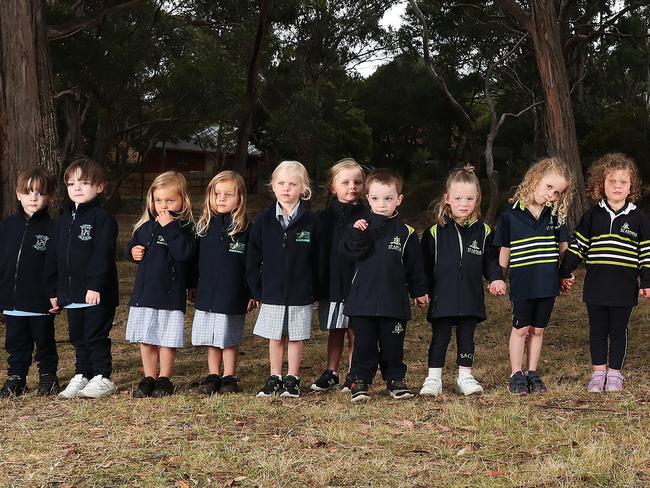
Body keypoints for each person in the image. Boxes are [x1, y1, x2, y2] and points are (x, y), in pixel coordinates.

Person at [560, 153, 650, 392]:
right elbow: (578, 246)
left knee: (618, 330)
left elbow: (646, 252)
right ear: (601, 185)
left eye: (623, 182)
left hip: (624, 286)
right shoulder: (592, 216)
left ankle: (615, 374)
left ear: (631, 186)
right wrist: (564, 271)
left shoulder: (639, 218)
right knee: (597, 330)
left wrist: (646, 280)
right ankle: (598, 373)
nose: (618, 186)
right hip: (596, 286)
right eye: (612, 181)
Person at [341, 169, 428, 402]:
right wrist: (358, 233)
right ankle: (359, 381)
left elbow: (415, 267)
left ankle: (395, 380)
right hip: (363, 303)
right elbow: (351, 254)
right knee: (364, 346)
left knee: (393, 346)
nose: (382, 204)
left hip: (394, 303)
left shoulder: (406, 233)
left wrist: (419, 292)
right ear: (367, 198)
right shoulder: (358, 227)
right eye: (376, 198)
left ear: (399, 200)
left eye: (388, 198)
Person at [420, 165, 506, 397]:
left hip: (470, 295)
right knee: (440, 338)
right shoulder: (434, 232)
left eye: (469, 198)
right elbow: (424, 266)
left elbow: (490, 261)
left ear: (477, 199)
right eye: (458, 198)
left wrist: (496, 278)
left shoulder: (485, 231)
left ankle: (464, 376)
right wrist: (422, 290)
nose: (464, 203)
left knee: (467, 338)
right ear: (447, 199)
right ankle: (433, 378)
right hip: (442, 295)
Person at [493, 157, 572, 396]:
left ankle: (532, 372)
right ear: (534, 180)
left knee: (538, 330)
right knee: (521, 328)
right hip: (522, 283)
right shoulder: (510, 216)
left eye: (557, 192)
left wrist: (564, 274)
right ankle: (516, 374)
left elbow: (564, 248)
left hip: (547, 284)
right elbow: (504, 251)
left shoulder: (555, 217)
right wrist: (499, 278)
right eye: (549, 187)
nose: (552, 195)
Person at [46, 158, 119, 399]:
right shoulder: (63, 221)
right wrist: (55, 291)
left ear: (99, 187)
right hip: (71, 293)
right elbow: (56, 257)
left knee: (95, 335)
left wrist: (95, 285)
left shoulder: (103, 219)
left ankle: (102, 376)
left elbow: (103, 255)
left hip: (96, 293)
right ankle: (83, 374)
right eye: (72, 183)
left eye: (84, 182)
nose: (77, 188)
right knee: (78, 338)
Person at [247, 161, 320, 398]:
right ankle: (275, 376)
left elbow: (319, 259)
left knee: (296, 336)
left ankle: (293, 378)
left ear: (303, 188)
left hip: (301, 291)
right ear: (273, 186)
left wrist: (315, 289)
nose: (286, 188)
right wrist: (256, 290)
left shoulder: (311, 221)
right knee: (275, 336)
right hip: (272, 291)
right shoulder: (263, 220)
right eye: (281, 183)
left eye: (292, 184)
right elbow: (252, 257)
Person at [126, 171, 196, 397]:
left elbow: (184, 254)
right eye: (158, 200)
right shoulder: (146, 227)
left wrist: (170, 227)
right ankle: (149, 376)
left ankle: (164, 377)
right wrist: (132, 252)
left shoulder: (185, 228)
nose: (163, 205)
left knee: (166, 339)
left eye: (169, 200)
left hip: (170, 294)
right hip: (145, 293)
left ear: (183, 200)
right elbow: (133, 246)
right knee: (147, 339)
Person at [192, 171, 255, 395]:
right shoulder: (203, 227)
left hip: (234, 291)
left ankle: (229, 375)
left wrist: (253, 292)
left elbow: (252, 263)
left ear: (240, 197)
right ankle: (213, 374)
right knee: (212, 336)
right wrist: (192, 286)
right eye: (217, 194)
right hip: (208, 291)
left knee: (228, 337)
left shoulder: (245, 228)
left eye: (228, 194)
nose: (221, 198)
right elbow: (194, 261)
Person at [0, 168, 59, 397]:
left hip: (40, 301)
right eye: (28, 192)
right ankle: (17, 378)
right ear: (18, 194)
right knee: (15, 343)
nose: (33, 197)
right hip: (12, 301)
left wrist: (55, 293)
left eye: (40, 193)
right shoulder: (7, 227)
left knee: (44, 341)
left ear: (50, 197)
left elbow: (55, 266)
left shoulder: (53, 229)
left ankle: (48, 377)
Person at [311, 159, 366, 393]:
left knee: (355, 329)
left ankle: (354, 374)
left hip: (358, 283)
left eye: (357, 182)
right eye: (345, 182)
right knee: (336, 329)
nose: (352, 186)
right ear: (333, 187)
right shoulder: (322, 219)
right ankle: (331, 371)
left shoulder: (368, 215)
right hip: (332, 282)